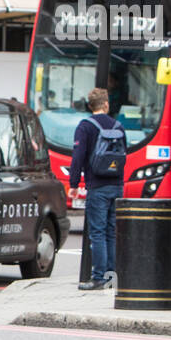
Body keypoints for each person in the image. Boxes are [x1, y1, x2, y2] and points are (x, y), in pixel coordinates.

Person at [69, 88, 125, 290]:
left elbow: (78, 156)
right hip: (117, 185)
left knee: (98, 232)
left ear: (90, 106)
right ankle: (111, 277)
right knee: (111, 231)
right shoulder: (118, 125)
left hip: (97, 186)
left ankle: (99, 277)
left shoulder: (85, 127)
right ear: (106, 104)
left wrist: (74, 184)